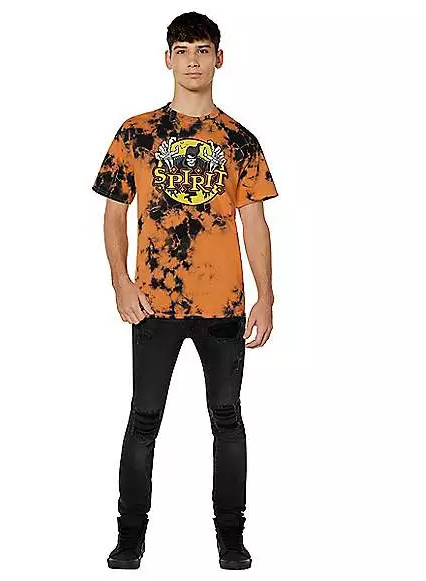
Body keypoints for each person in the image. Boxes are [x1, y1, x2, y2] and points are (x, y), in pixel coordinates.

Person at [91, 11, 279, 571]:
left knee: (227, 419)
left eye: (202, 50)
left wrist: (267, 295)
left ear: (219, 58)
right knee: (144, 419)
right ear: (167, 59)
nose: (192, 60)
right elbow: (113, 213)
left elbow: (255, 223)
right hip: (155, 302)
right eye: (182, 50)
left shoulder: (239, 140)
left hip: (223, 305)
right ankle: (130, 537)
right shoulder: (137, 133)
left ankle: (231, 537)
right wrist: (121, 282)